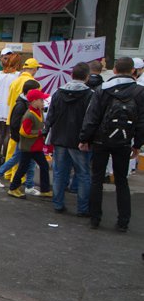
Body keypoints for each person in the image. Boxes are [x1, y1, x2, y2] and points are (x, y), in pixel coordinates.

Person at [79, 56, 144, 231]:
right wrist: (137, 144)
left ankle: (95, 218)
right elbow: (141, 122)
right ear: (133, 71)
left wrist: (84, 139)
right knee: (122, 181)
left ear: (114, 70)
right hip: (124, 140)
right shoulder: (139, 92)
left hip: (101, 139)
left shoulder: (103, 89)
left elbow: (92, 117)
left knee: (97, 179)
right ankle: (123, 221)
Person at [45, 62, 94, 216]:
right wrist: (86, 138)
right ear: (87, 77)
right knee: (83, 174)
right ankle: (83, 209)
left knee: (59, 172)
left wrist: (46, 132)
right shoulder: (90, 95)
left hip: (59, 138)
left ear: (71, 75)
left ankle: (58, 204)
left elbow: (50, 116)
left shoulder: (58, 93)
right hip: (79, 140)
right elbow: (91, 119)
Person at [0, 80, 41, 191]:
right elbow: (15, 124)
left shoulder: (24, 103)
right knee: (20, 160)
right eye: (37, 91)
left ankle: (29, 185)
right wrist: (21, 137)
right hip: (23, 139)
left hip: (23, 139)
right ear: (30, 91)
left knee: (26, 161)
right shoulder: (21, 105)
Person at [7, 89, 52, 199]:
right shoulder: (29, 115)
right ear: (34, 101)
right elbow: (24, 132)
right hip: (28, 147)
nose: (43, 102)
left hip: (35, 147)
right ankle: (13, 188)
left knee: (43, 165)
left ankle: (45, 189)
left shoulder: (38, 112)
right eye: (41, 100)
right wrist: (40, 133)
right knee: (23, 168)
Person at [3, 57, 43, 182]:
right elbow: (36, 104)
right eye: (37, 68)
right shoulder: (35, 84)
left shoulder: (15, 81)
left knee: (11, 150)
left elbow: (9, 101)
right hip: (26, 122)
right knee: (22, 151)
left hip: (12, 118)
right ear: (34, 69)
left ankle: (8, 173)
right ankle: (17, 178)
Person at [0, 53, 22, 162]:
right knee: (8, 133)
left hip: (0, 105)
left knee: (0, 132)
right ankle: (5, 157)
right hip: (10, 105)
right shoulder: (18, 75)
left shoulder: (0, 74)